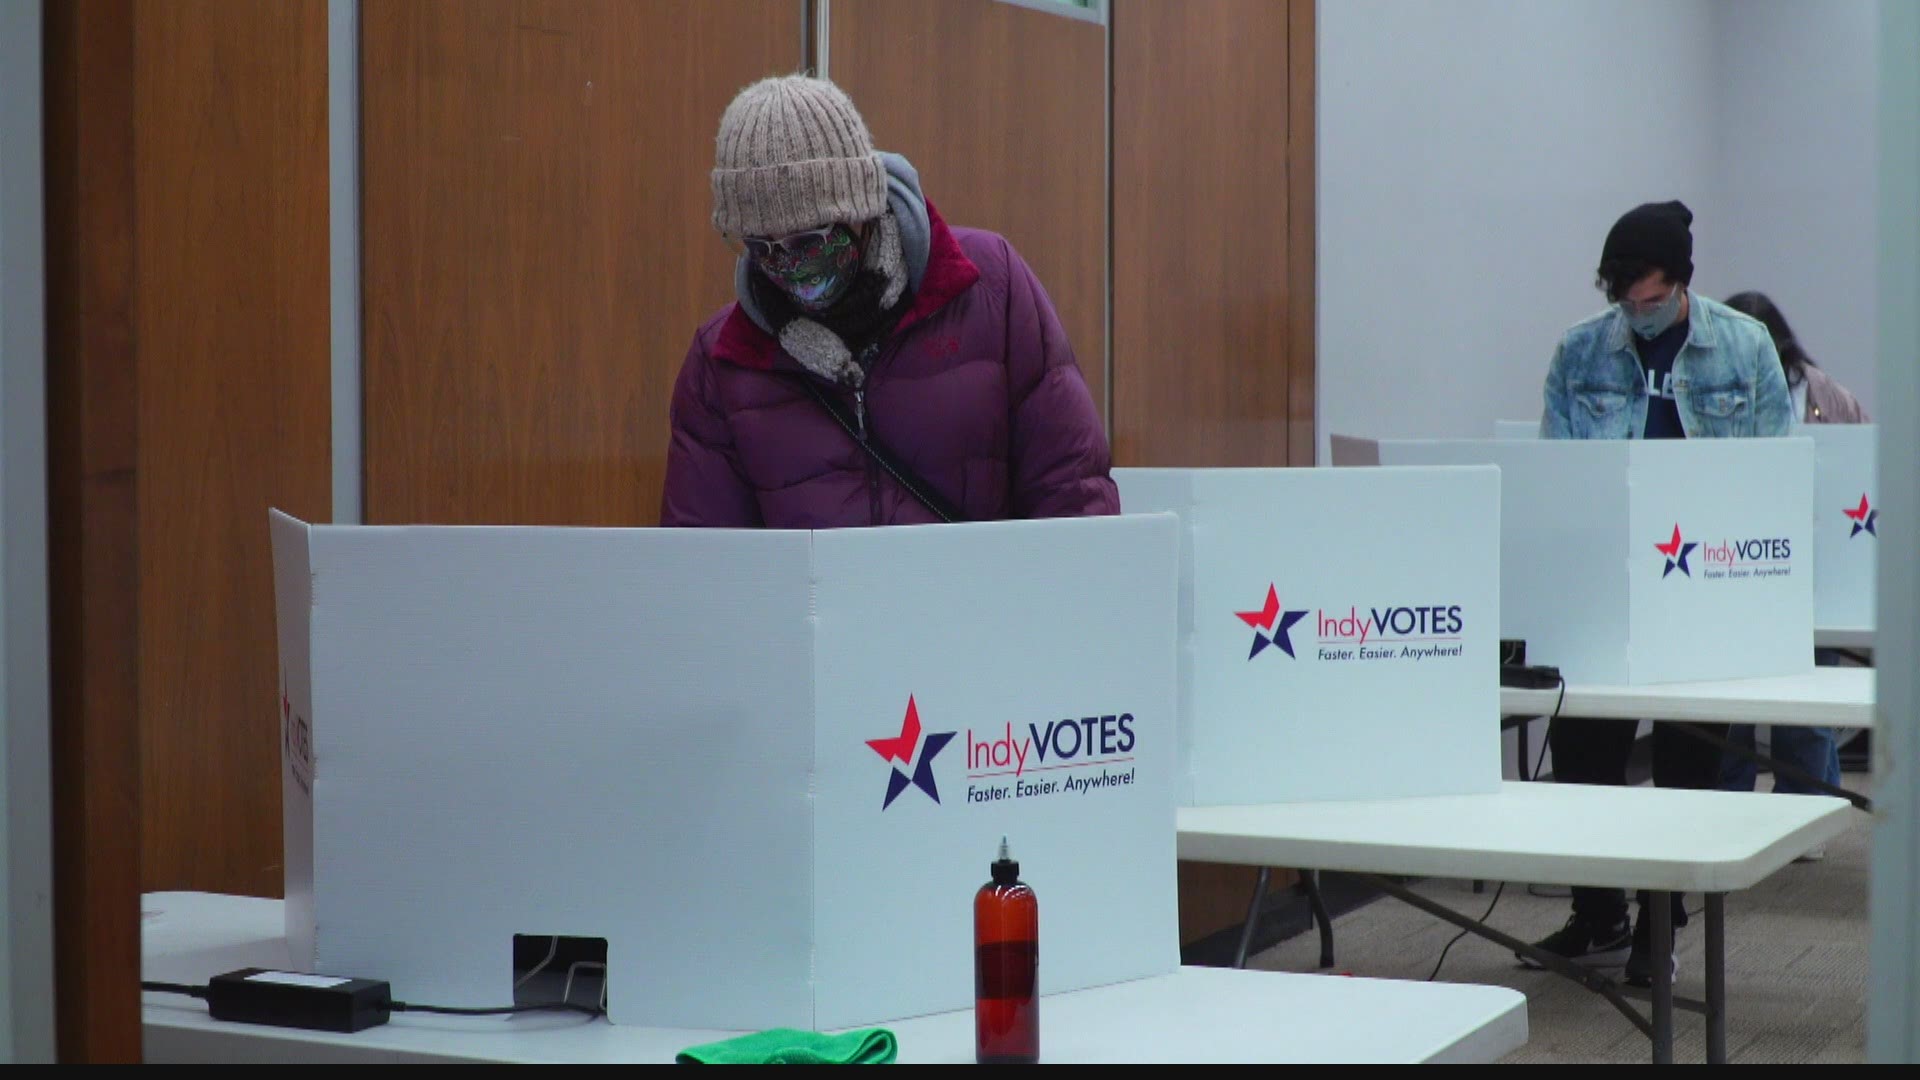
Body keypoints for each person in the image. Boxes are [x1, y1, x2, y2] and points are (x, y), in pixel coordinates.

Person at [1526, 201, 1792, 987]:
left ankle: (1661, 920)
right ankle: (1598, 911)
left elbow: (1773, 474)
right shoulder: (1580, 351)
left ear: (1682, 285)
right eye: (1623, 299)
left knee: (1689, 764)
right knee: (1583, 754)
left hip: (1706, 587)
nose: (1636, 314)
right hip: (1606, 588)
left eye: (1650, 299)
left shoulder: (1743, 349)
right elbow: (1557, 476)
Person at [659, 75, 1117, 528]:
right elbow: (706, 569)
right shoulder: (723, 360)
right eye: (762, 248)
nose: (789, 268)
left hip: (985, 601)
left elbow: (1072, 495)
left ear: (860, 211)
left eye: (810, 242)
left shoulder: (990, 289)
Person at [1717, 291, 1869, 841]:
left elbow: (1861, 472)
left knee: (1805, 703)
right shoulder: (1712, 389)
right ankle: (1728, 810)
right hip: (1731, 565)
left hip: (1811, 569)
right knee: (1726, 702)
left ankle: (1805, 817)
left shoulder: (1827, 394)